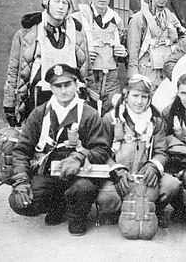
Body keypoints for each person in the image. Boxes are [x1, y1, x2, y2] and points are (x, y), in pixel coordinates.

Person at [8, 64, 110, 236]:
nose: (63, 91)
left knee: (83, 189)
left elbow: (102, 150)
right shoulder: (40, 113)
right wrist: (21, 181)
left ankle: (77, 216)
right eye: (58, 86)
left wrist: (79, 157)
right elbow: (21, 151)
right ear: (51, 88)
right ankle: (59, 207)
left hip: (80, 176)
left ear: (76, 85)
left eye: (67, 85)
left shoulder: (89, 114)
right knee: (20, 202)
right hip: (48, 175)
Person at [97, 74, 182, 228]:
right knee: (106, 197)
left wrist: (154, 166)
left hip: (144, 176)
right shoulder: (111, 119)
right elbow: (101, 151)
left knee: (172, 184)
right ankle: (119, 213)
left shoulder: (155, 121)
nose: (139, 101)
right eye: (135, 95)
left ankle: (154, 210)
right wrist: (116, 171)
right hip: (120, 177)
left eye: (144, 96)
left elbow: (161, 151)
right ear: (126, 95)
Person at [3, 0, 93, 128]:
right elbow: (14, 71)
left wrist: (90, 99)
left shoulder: (77, 35)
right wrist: (9, 103)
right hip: (37, 99)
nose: (60, 7)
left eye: (65, 3)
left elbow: (86, 72)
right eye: (56, 1)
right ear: (47, 3)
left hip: (68, 96)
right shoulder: (27, 34)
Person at [72, 0, 128, 116]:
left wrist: (122, 53)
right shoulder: (77, 19)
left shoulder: (117, 20)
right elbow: (67, 51)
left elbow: (123, 50)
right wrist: (83, 53)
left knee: (112, 115)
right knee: (86, 115)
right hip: (88, 76)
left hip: (111, 78)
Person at [127, 0, 186, 90]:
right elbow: (132, 59)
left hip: (166, 77)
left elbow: (182, 43)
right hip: (146, 75)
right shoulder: (139, 19)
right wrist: (135, 83)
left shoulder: (172, 18)